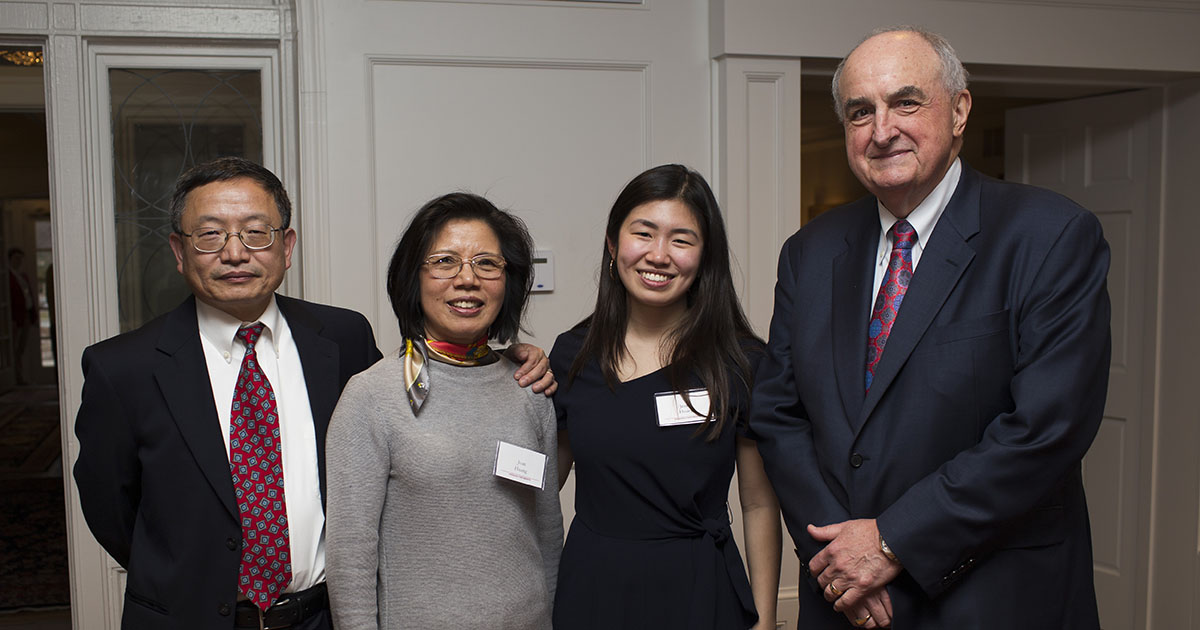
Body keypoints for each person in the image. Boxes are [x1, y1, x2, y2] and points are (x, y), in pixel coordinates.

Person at [72, 157, 554, 630]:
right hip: (187, 617)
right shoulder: (123, 369)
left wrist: (509, 357)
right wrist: (185, 575)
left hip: (317, 616)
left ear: (287, 246)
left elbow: (426, 408)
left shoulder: (342, 338)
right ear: (179, 251)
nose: (235, 252)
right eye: (211, 234)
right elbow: (113, 510)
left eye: (256, 232)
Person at [752, 27, 1111, 629]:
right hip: (845, 601)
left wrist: (891, 541)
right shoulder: (810, 252)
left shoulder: (1049, 236)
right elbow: (778, 413)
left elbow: (1046, 429)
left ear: (961, 109)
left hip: (992, 597)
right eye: (860, 111)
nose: (881, 129)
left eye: (906, 102)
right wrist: (837, 559)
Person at [551, 164, 782, 629]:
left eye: (681, 239)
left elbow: (758, 504)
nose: (659, 255)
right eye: (644, 234)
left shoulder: (741, 360)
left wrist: (766, 620)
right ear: (614, 245)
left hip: (700, 587)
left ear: (704, 256)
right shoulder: (573, 355)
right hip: (594, 587)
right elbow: (541, 486)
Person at [325, 192, 562, 629]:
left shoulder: (529, 386)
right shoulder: (371, 395)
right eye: (445, 261)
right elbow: (350, 559)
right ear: (413, 278)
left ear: (508, 281)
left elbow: (547, 535)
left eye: (487, 263)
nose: (467, 279)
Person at [9, 247, 37, 384]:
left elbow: (28, 296)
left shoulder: (23, 276)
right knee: (13, 349)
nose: (18, 261)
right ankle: (16, 378)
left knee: (21, 349)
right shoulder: (8, 276)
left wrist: (33, 316)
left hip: (25, 315)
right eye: (16, 258)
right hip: (16, 318)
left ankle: (20, 377)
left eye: (20, 259)